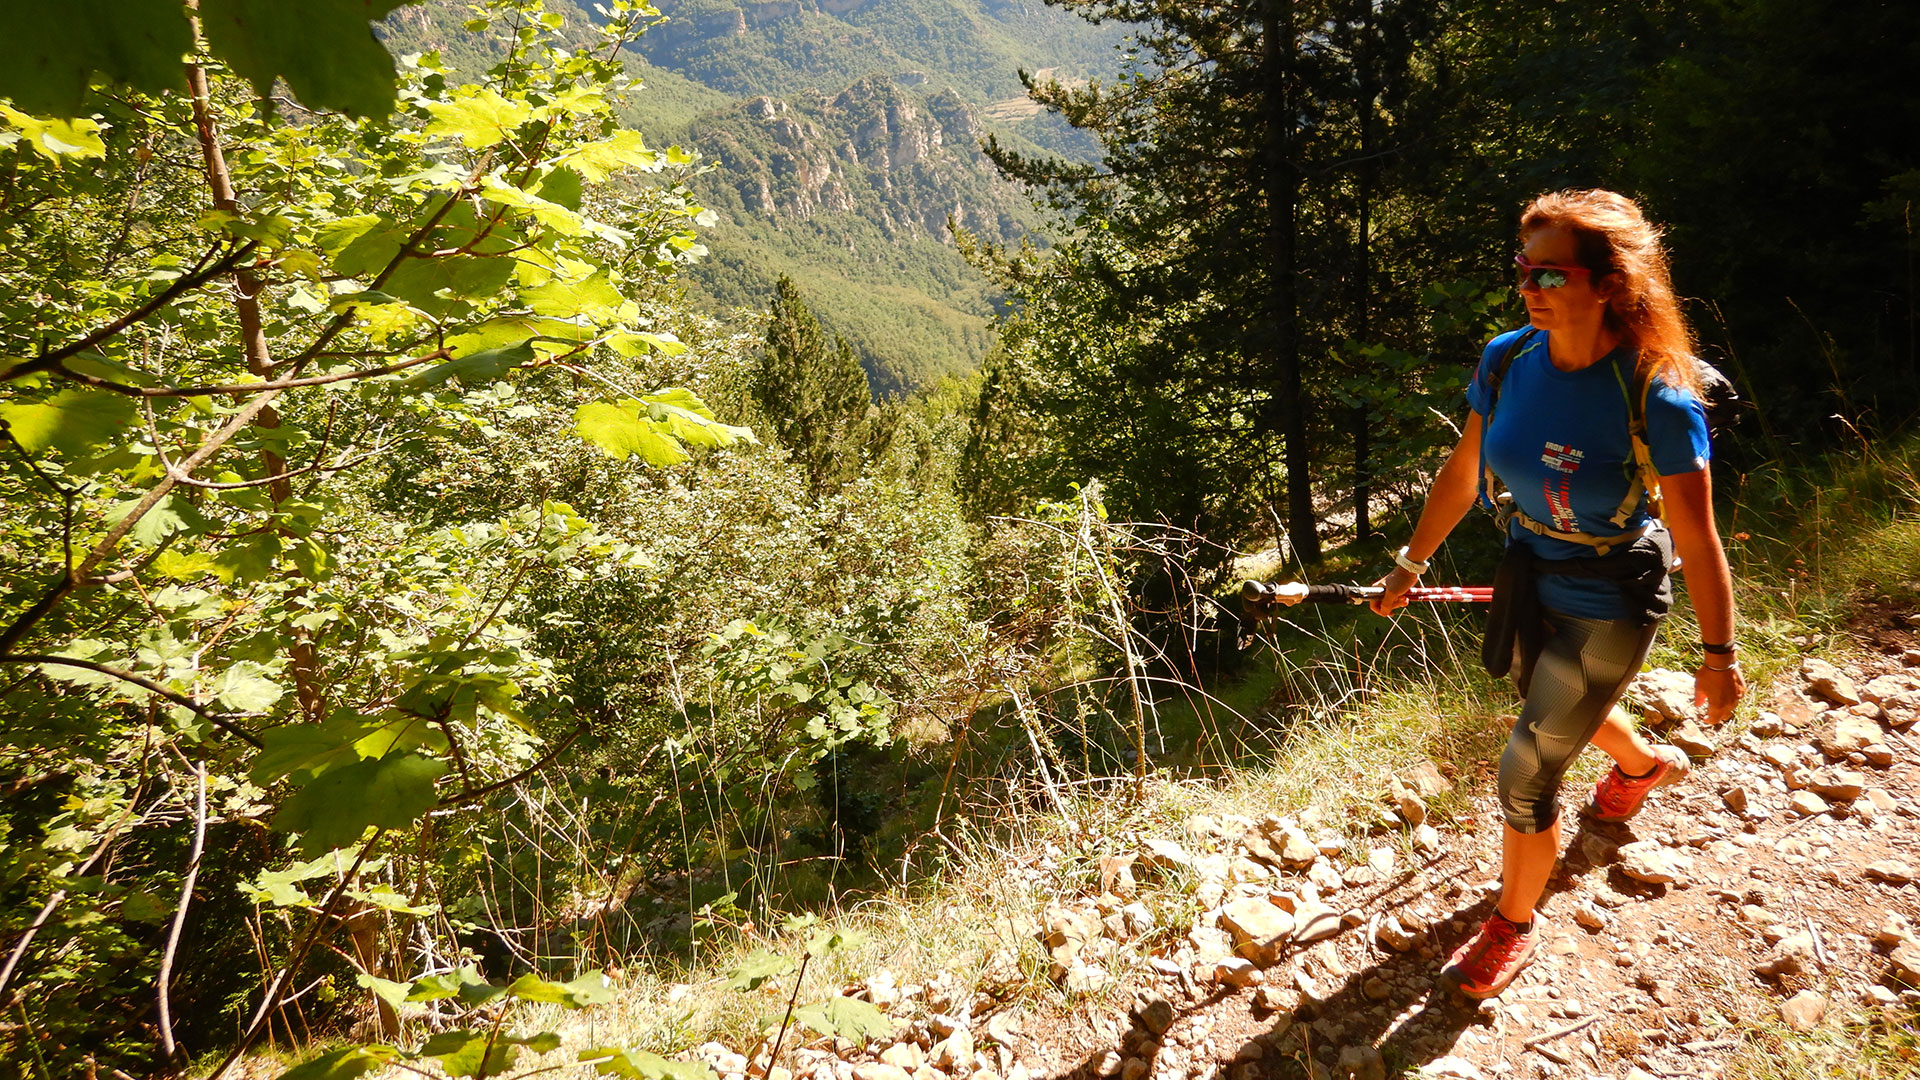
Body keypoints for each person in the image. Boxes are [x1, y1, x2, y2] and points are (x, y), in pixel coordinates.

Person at [1369, 188, 1746, 999]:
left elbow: (1697, 534)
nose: (1528, 289)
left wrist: (1719, 656)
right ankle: (1642, 769)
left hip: (1611, 595)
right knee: (1548, 702)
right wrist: (1409, 564)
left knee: (1526, 769)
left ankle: (1512, 924)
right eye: (1523, 269)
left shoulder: (1656, 392)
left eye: (1549, 274)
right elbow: (1464, 472)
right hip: (1528, 575)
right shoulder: (1508, 359)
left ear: (1610, 283)